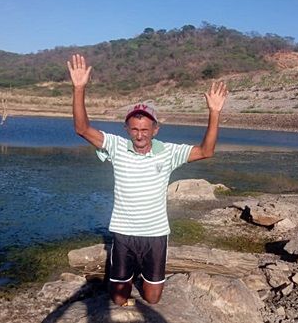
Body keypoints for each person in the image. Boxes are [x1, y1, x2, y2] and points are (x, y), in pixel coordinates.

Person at [67, 54, 228, 306]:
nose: (139, 135)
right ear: (127, 129)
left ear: (155, 129)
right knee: (119, 300)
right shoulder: (117, 147)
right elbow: (82, 129)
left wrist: (215, 112)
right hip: (124, 233)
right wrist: (79, 88)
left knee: (152, 300)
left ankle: (143, 277)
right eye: (134, 129)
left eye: (145, 129)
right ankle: (126, 277)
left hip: (155, 235)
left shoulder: (170, 152)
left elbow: (206, 151)